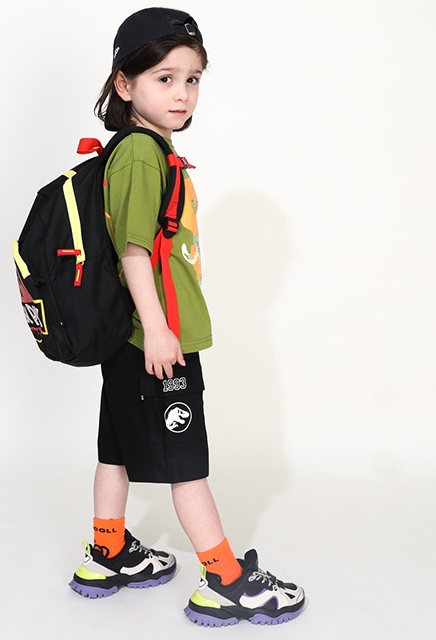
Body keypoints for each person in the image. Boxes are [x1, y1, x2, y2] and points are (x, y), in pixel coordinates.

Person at [68, 7, 306, 627]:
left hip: (132, 339)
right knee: (187, 464)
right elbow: (133, 252)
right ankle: (225, 581)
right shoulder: (142, 155)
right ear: (125, 84)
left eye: (192, 79)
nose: (182, 93)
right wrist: (158, 330)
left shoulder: (145, 150)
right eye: (165, 78)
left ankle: (107, 552)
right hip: (156, 341)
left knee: (116, 449)